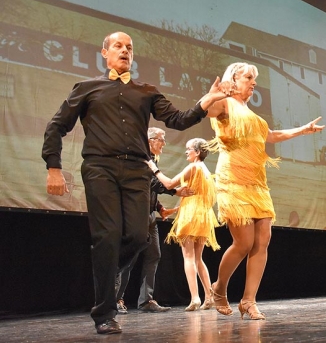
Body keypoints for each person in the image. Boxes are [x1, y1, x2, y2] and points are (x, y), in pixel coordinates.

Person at [42, 32, 227, 334]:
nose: (125, 51)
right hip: (100, 167)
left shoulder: (146, 91)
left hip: (137, 170)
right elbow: (57, 126)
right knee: (109, 235)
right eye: (118, 46)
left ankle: (106, 271)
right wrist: (53, 166)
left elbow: (178, 119)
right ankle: (104, 313)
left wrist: (204, 102)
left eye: (129, 48)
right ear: (105, 53)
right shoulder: (88, 88)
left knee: (139, 236)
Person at [205, 62, 324, 320]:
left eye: (254, 78)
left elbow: (271, 135)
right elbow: (208, 109)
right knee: (244, 242)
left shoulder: (252, 114)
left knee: (262, 241)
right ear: (234, 80)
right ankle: (219, 288)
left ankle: (249, 300)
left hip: (257, 182)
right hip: (233, 178)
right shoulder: (225, 104)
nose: (253, 82)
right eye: (249, 77)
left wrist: (303, 129)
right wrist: (215, 93)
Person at [115, 127, 191, 314]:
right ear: (149, 140)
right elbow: (153, 183)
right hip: (135, 215)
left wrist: (159, 208)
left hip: (149, 215)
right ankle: (115, 299)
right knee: (129, 258)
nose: (164, 143)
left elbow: (150, 189)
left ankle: (146, 300)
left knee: (154, 255)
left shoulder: (152, 160)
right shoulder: (139, 158)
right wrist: (174, 190)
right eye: (161, 139)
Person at [148, 138, 220, 311]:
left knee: (188, 257)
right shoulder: (205, 170)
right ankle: (209, 296)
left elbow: (169, 184)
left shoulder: (193, 167)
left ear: (197, 152)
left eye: (188, 149)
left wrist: (154, 168)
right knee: (198, 258)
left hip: (191, 215)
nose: (186, 152)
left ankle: (195, 298)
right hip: (203, 215)